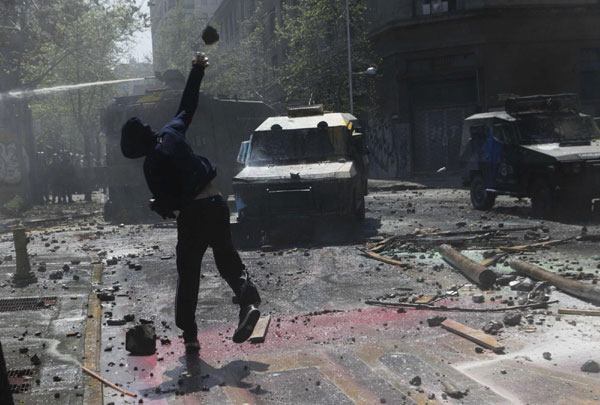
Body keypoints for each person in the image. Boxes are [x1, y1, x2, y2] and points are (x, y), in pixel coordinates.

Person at [120, 53, 261, 352]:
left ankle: (191, 337)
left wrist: (156, 204)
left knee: (188, 274)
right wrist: (197, 69)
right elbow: (188, 104)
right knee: (227, 260)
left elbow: (170, 205)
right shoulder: (171, 132)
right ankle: (248, 301)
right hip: (217, 203)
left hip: (193, 214)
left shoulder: (151, 164)